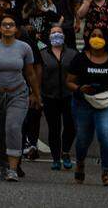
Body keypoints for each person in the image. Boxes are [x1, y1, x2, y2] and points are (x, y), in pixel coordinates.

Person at [0, 14, 39, 182]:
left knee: (13, 126)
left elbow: (30, 73)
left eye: (11, 24)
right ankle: (2, 164)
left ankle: (13, 169)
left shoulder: (24, 48)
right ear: (0, 29)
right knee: (0, 132)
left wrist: (36, 94)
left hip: (18, 93)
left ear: (16, 29)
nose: (7, 27)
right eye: (4, 24)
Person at [67, 28, 108, 187]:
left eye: (100, 36)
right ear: (88, 38)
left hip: (106, 104)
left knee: (106, 136)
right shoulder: (80, 58)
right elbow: (69, 82)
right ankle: (80, 163)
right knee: (82, 140)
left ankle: (106, 171)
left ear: (106, 39)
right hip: (83, 104)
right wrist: (79, 89)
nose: (97, 38)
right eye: (93, 35)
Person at [39, 23, 77, 170]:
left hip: (69, 96)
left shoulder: (72, 54)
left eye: (59, 32)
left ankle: (65, 152)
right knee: (54, 128)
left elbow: (77, 74)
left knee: (71, 126)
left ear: (64, 36)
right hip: (50, 96)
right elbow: (38, 76)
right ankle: (56, 158)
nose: (56, 35)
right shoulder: (43, 54)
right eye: (53, 32)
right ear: (49, 36)